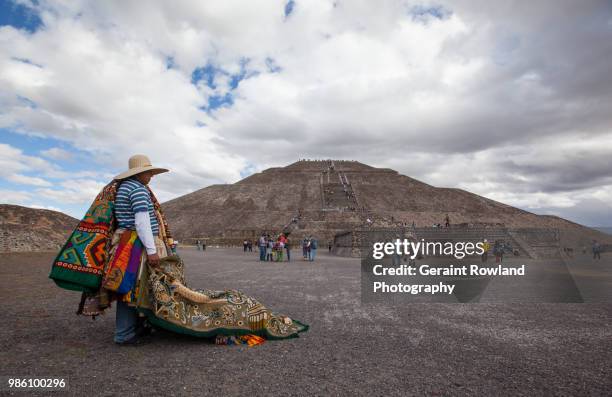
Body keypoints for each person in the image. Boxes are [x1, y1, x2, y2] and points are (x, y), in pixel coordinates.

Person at [49, 154, 307, 345]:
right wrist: (151, 250)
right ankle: (125, 334)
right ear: (139, 173)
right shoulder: (137, 190)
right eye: (149, 173)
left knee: (134, 290)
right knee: (131, 289)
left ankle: (136, 327)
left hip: (125, 243)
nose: (151, 176)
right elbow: (141, 221)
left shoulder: (123, 188)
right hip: (135, 246)